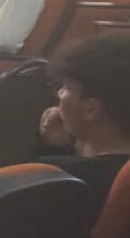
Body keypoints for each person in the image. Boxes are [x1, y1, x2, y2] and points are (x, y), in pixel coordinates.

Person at [36, 35, 130, 211]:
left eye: (66, 87)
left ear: (92, 109)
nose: (59, 94)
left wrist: (48, 150)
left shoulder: (53, 177)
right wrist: (68, 145)